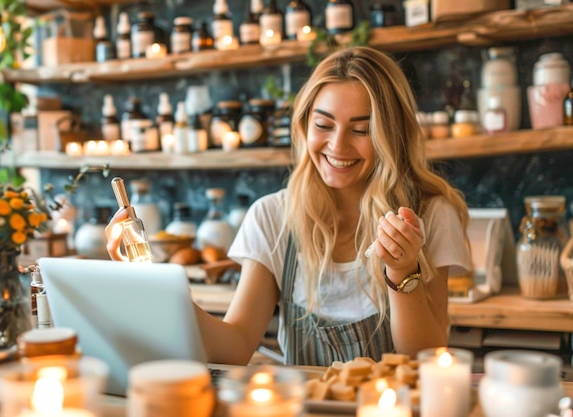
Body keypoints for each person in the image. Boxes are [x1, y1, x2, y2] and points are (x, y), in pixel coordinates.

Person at [106, 46, 472, 367]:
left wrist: (402, 271)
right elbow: (233, 346)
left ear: (390, 135)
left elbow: (424, 359)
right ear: (304, 125)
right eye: (323, 125)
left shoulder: (429, 213)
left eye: (361, 130)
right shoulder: (273, 217)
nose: (337, 145)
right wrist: (151, 281)